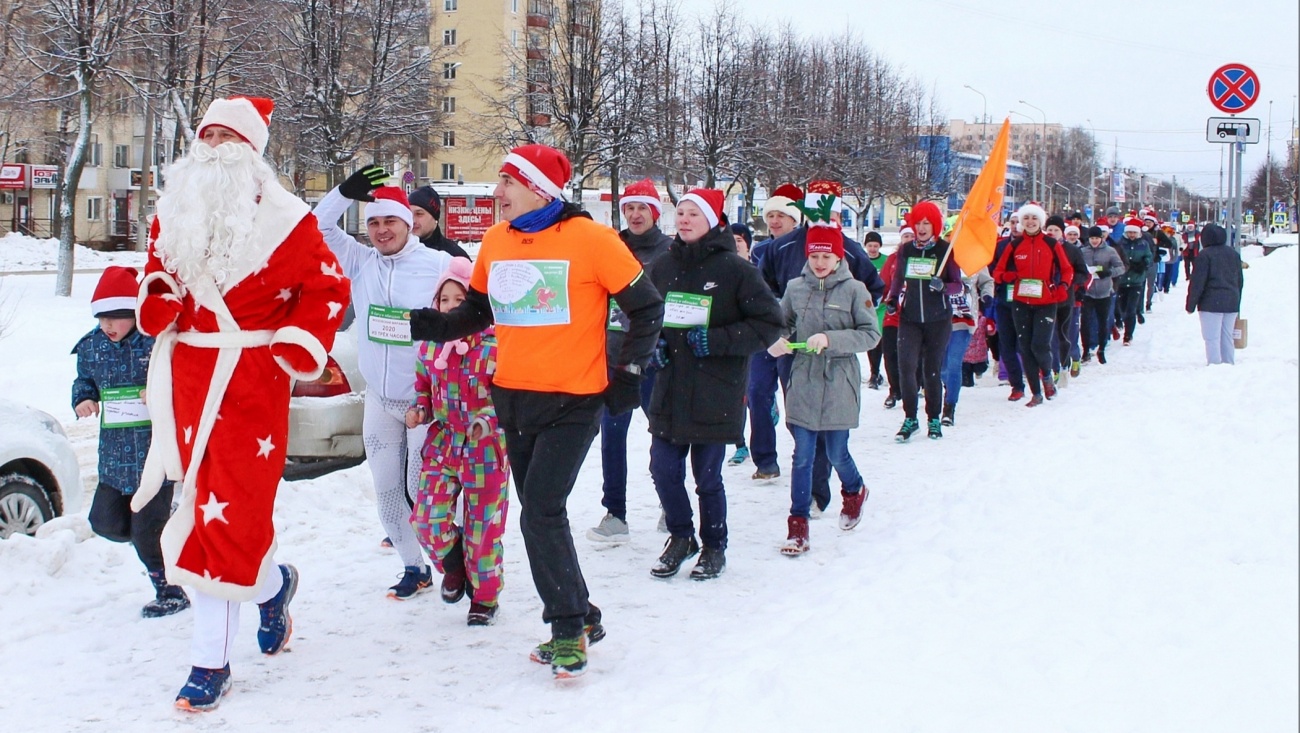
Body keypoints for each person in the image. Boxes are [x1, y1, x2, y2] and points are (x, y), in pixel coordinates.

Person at [408, 144, 664, 679]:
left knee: (540, 511)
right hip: (512, 397)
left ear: (539, 189)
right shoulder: (497, 241)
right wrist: (438, 326)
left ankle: (567, 628)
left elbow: (647, 308)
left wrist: (629, 376)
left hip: (574, 400)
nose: (496, 192)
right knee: (542, 514)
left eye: (507, 181)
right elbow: (479, 310)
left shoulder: (594, 240)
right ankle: (583, 609)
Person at [133, 96, 351, 711]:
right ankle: (273, 586)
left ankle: (209, 663)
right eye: (208, 135)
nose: (215, 146)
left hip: (252, 379)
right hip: (188, 375)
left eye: (230, 137)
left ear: (252, 151)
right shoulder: (170, 213)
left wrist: (299, 341)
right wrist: (159, 296)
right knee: (202, 512)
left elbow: (329, 287)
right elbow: (156, 273)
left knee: (229, 516)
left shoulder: (290, 220)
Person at [313, 168, 453, 599]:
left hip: (422, 398)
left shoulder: (440, 264)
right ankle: (415, 566)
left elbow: (467, 315)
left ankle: (455, 557)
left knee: (419, 489)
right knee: (388, 490)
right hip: (380, 398)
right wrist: (342, 192)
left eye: (389, 221)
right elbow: (317, 226)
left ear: (408, 224)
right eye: (373, 222)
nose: (380, 230)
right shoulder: (360, 262)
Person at [645, 188, 782, 579]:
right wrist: (651, 344)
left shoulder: (736, 270)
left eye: (693, 214)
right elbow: (643, 316)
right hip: (670, 387)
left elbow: (769, 324)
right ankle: (681, 536)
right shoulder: (662, 266)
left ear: (713, 221)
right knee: (663, 469)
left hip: (714, 389)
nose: (684, 220)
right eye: (681, 213)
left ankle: (714, 546)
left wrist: (718, 341)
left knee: (707, 477)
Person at [759, 181, 886, 505]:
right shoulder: (783, 246)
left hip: (836, 358)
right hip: (796, 353)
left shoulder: (849, 248)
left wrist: (842, 316)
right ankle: (804, 498)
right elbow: (763, 293)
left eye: (829, 208)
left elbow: (874, 289)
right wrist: (779, 327)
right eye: (816, 208)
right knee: (801, 424)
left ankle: (817, 491)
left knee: (828, 435)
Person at [73, 266, 189, 619]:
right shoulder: (92, 346)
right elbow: (84, 380)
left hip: (153, 457)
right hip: (113, 458)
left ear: (134, 315)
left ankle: (170, 590)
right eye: (103, 318)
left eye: (117, 319)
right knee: (104, 522)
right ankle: (162, 533)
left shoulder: (156, 343)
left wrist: (155, 391)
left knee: (144, 534)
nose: (109, 326)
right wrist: (83, 398)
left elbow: (183, 380)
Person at [407, 258, 509, 625]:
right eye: (443, 300)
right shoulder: (431, 348)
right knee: (426, 520)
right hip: (444, 443)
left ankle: (484, 597)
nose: (450, 307)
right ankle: (454, 566)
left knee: (483, 529)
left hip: (484, 448)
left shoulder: (496, 346)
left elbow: (510, 396)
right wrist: (420, 410)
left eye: (459, 299)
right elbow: (423, 388)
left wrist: (487, 420)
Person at [769, 216, 878, 554]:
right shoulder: (794, 288)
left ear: (839, 258)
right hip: (803, 379)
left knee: (835, 452)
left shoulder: (855, 290)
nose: (819, 263)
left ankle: (854, 489)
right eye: (814, 257)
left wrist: (830, 339)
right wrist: (777, 340)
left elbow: (870, 335)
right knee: (802, 456)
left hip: (839, 382)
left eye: (826, 257)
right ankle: (798, 526)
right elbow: (783, 323)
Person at [589, 179, 672, 543]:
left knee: (664, 435)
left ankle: (671, 503)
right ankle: (615, 513)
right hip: (613, 358)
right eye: (629, 208)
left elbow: (676, 303)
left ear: (655, 213)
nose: (635, 215)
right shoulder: (611, 246)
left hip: (654, 358)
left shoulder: (670, 251)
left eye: (643, 208)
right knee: (612, 435)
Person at [885, 201, 963, 440]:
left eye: (926, 223)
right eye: (918, 223)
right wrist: (892, 298)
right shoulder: (906, 250)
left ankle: (934, 419)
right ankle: (910, 418)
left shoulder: (944, 250)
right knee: (907, 367)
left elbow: (957, 285)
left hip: (938, 319)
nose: (921, 228)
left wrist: (943, 287)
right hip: (909, 317)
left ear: (935, 225)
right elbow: (898, 279)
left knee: (931, 370)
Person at [745, 183, 803, 481]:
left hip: (793, 334)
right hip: (762, 333)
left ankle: (803, 452)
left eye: (782, 215)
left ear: (795, 219)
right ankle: (765, 460)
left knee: (794, 395)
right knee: (757, 393)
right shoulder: (761, 248)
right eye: (771, 215)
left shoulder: (804, 248)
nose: (775, 221)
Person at [992, 202, 1074, 407]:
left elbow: (1067, 270)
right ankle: (1035, 393)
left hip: (1046, 301)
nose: (1030, 222)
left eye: (1034, 218)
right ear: (1021, 222)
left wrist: (1062, 287)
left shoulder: (1051, 243)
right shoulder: (1014, 245)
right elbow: (997, 273)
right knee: (1025, 347)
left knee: (1040, 344)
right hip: (1020, 302)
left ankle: (1046, 376)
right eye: (1026, 218)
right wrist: (1009, 276)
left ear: (1041, 221)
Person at [940, 266, 994, 426]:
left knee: (954, 363)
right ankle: (949, 386)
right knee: (942, 367)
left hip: (964, 318)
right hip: (939, 317)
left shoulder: (975, 259)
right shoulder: (941, 254)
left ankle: (949, 407)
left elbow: (987, 282)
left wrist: (987, 295)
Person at [1185, 223, 1243, 365]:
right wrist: (1237, 301)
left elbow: (1198, 282)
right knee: (1227, 336)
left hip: (1210, 303)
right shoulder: (1233, 254)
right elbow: (1239, 280)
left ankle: (1214, 365)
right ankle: (1229, 363)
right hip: (1231, 302)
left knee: (1211, 338)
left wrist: (1190, 304)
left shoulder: (1205, 255)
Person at [1045, 217, 1088, 384]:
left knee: (1066, 334)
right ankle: (1055, 368)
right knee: (1051, 337)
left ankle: (1073, 358)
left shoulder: (1071, 250)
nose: (1052, 233)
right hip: (1046, 299)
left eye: (1056, 230)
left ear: (1061, 232)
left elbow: (1082, 272)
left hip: (1066, 298)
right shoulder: (1042, 246)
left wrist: (1067, 281)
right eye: (1050, 229)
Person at [991, 215, 1027, 401]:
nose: (1015, 226)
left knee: (1027, 344)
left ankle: (1038, 376)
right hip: (1005, 299)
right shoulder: (1001, 245)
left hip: (1029, 301)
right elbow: (992, 269)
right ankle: (1016, 385)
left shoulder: (1034, 245)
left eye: (1018, 222)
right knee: (1007, 345)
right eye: (1012, 223)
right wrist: (1003, 277)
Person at [727, 221, 754, 466]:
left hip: (755, 343)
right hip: (732, 344)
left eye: (739, 240)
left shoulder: (756, 271)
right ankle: (740, 443)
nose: (735, 245)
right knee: (738, 396)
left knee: (754, 392)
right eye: (731, 240)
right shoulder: (722, 271)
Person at [1079, 225, 1126, 365]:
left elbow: (1121, 267)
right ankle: (1086, 350)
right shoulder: (1082, 251)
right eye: (1092, 238)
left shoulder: (1110, 251)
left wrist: (1109, 273)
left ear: (1101, 238)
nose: (1094, 241)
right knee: (1085, 323)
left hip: (1105, 292)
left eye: (1096, 238)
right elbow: (1076, 267)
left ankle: (1101, 349)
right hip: (1087, 292)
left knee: (1103, 322)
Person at [1114, 216, 1154, 345]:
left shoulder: (1143, 244)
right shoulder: (1120, 243)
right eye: (1129, 232)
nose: (1131, 235)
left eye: (1134, 232)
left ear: (1138, 233)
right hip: (1122, 280)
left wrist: (1143, 264)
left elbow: (1149, 257)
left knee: (1130, 309)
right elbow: (1115, 258)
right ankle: (1122, 320)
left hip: (1136, 280)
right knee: (1122, 308)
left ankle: (1128, 335)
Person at [408, 185, 471, 259]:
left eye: (419, 214)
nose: (413, 220)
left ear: (434, 217)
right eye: (409, 214)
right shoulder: (399, 252)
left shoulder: (454, 255)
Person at [862, 230, 888, 390]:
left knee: (883, 339)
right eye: (870, 245)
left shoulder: (885, 261)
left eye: (875, 246)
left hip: (883, 306)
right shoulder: (862, 260)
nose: (872, 249)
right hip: (866, 305)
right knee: (871, 339)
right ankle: (874, 372)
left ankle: (883, 372)